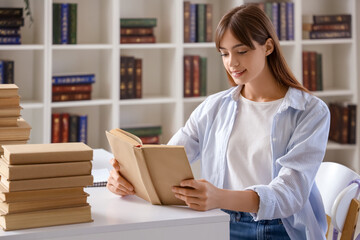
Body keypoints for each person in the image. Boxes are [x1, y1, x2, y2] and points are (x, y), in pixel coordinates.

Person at [107, 4, 330, 239]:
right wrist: (123, 179)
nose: (231, 63)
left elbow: (290, 193)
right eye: (224, 53)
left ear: (268, 47)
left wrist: (219, 197)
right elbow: (165, 159)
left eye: (241, 51)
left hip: (275, 228)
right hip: (216, 219)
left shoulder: (310, 111)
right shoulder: (215, 106)